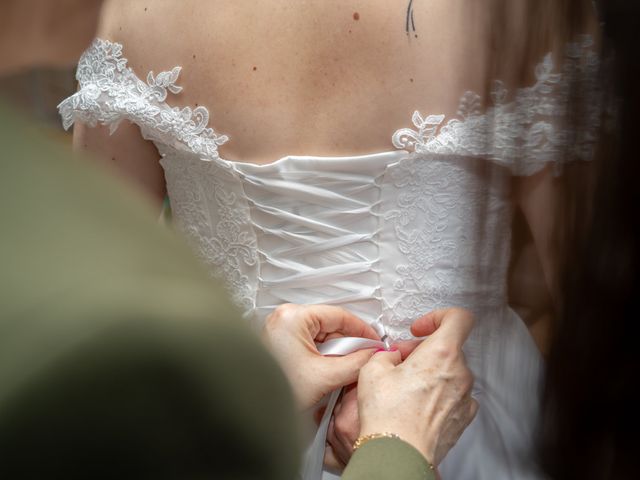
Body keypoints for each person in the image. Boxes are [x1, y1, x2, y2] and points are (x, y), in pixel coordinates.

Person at [59, 1, 602, 478]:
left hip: (241, 426)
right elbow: (597, 305)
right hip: (465, 415)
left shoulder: (136, 13)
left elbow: (90, 319)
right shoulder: (525, 13)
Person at [0, 1, 477, 478]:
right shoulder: (509, 17)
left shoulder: (133, 15)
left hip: (225, 415)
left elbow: (97, 295)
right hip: (461, 410)